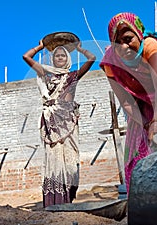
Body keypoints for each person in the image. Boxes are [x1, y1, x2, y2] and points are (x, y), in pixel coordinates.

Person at [99, 12, 157, 193]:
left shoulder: (150, 45)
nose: (124, 46)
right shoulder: (110, 62)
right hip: (140, 102)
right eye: (118, 43)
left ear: (138, 34)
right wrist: (146, 123)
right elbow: (125, 101)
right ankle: (145, 198)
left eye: (128, 38)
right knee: (136, 152)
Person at [23, 36, 96, 207]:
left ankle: (68, 198)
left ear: (68, 59)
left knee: (70, 163)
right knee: (53, 159)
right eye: (57, 56)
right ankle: (53, 201)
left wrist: (79, 49)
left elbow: (92, 58)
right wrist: (40, 46)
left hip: (68, 122)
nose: (60, 58)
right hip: (52, 122)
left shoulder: (73, 75)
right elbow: (26, 57)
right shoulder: (46, 74)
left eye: (63, 56)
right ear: (53, 59)